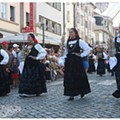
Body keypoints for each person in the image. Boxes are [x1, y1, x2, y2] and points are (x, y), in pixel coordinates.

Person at [60, 28, 91, 101]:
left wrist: (81, 55)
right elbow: (66, 52)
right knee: (70, 77)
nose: (70, 34)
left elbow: (88, 49)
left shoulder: (79, 41)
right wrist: (64, 60)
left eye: (72, 32)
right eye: (69, 32)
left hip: (77, 61)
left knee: (79, 76)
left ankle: (82, 91)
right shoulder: (67, 42)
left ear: (75, 33)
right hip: (69, 61)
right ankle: (71, 94)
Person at [110, 34, 120, 98]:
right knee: (118, 75)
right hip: (118, 58)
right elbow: (112, 49)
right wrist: (111, 55)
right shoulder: (116, 38)